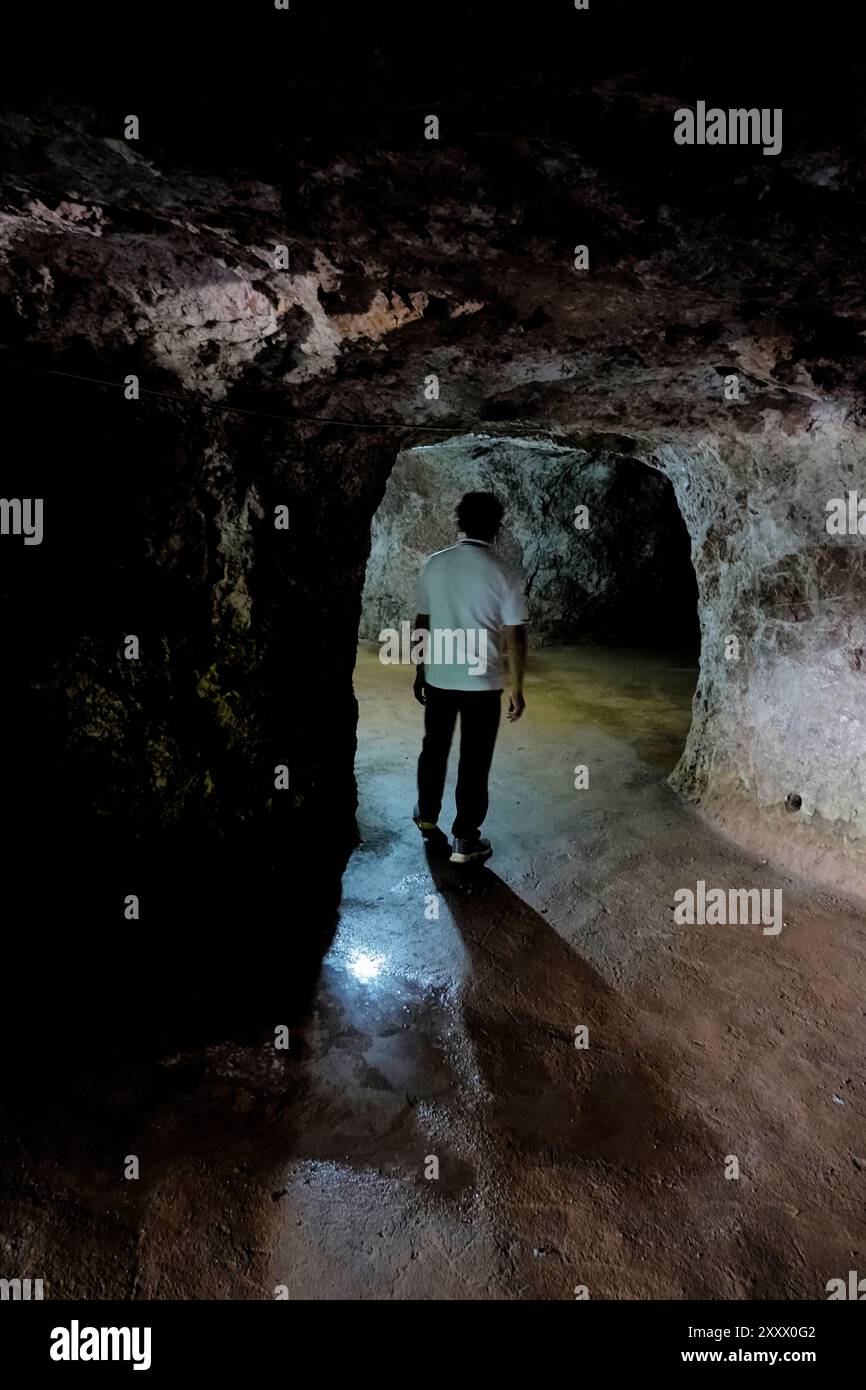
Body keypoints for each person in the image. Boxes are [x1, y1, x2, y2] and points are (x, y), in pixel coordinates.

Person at [412, 491, 528, 864]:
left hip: (440, 675)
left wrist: (419, 669)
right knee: (475, 761)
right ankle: (465, 839)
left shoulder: (435, 565)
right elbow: (515, 634)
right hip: (483, 683)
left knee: (434, 749)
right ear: (497, 526)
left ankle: (428, 819)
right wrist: (517, 687)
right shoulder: (505, 572)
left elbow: (423, 622)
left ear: (458, 522)